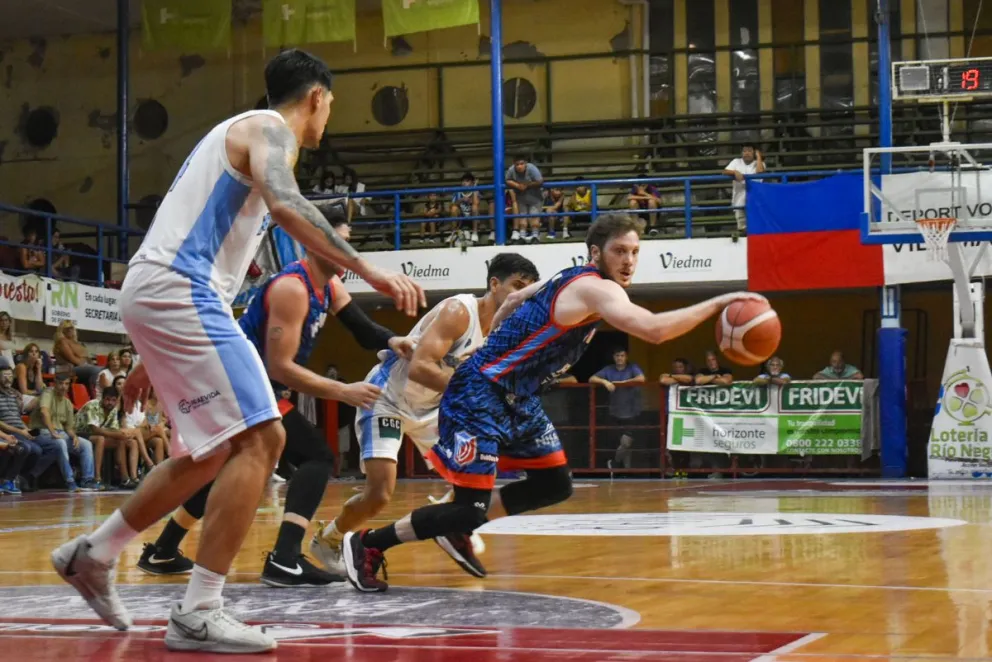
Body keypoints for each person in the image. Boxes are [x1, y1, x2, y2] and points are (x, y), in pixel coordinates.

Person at [50, 48, 424, 655]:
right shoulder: (270, 129)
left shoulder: (234, 140)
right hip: (177, 290)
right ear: (317, 98)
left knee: (211, 453)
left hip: (168, 295)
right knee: (264, 438)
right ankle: (198, 610)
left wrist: (152, 352)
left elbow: (198, 243)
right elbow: (286, 202)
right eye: (330, 105)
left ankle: (93, 553)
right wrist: (366, 270)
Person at [338, 213, 765, 592]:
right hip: (478, 395)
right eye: (620, 251)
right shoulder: (599, 291)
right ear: (596, 252)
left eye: (635, 251)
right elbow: (652, 331)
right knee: (468, 507)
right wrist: (723, 300)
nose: (629, 260)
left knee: (554, 484)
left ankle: (457, 527)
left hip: (517, 397)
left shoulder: (571, 274)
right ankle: (368, 544)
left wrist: (503, 338)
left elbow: (514, 298)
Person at [135, 209, 411, 589]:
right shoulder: (292, 289)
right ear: (314, 244)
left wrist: (393, 340)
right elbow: (279, 367)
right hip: (242, 382)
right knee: (316, 455)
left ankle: (163, 550)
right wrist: (343, 391)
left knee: (221, 467)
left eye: (349, 241)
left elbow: (363, 330)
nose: (347, 250)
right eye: (338, 242)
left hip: (252, 384)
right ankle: (284, 558)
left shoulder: (328, 286)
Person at [311, 253, 540, 577]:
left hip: (433, 409)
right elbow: (420, 368)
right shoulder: (459, 311)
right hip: (388, 397)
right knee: (379, 494)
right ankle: (329, 538)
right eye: (515, 286)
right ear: (494, 284)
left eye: (526, 291)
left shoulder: (502, 335)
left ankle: (449, 525)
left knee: (478, 473)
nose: (518, 297)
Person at [33, 373, 97, 492]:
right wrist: (52, 431)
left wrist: (74, 436)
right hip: (42, 432)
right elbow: (44, 412)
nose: (63, 387)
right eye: (61, 383)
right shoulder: (48, 393)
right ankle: (70, 481)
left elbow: (68, 427)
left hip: (61, 433)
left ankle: (87, 480)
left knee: (86, 444)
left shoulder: (67, 403)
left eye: (66, 384)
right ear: (55, 383)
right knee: (61, 442)